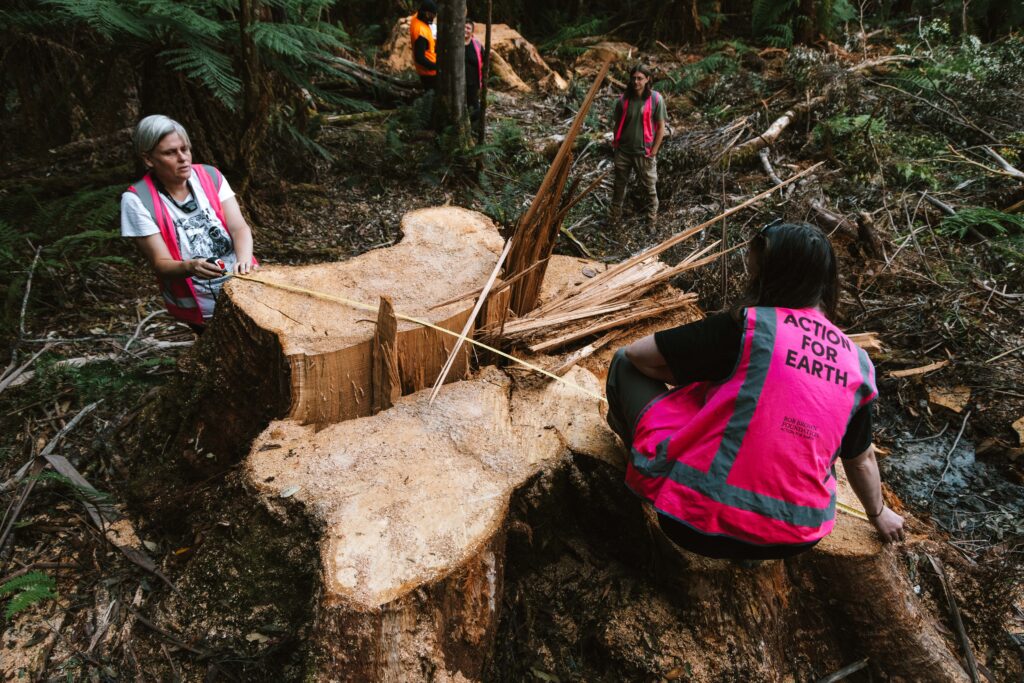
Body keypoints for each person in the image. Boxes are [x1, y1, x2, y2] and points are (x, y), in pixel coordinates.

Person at [606, 220, 905, 560]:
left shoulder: (749, 326)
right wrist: (878, 513)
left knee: (622, 363)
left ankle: (642, 461)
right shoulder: (858, 362)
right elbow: (861, 457)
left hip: (694, 525)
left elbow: (639, 355)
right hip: (795, 538)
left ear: (769, 275)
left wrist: (700, 383)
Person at [121, 115, 257, 332]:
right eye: (170, 153)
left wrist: (243, 261)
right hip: (203, 307)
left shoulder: (210, 176)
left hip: (247, 289)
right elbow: (161, 263)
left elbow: (238, 227)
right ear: (148, 159)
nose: (183, 158)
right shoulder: (137, 200)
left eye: (185, 149)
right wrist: (192, 266)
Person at [610, 64, 666, 226]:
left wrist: (654, 150)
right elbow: (617, 124)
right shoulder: (623, 100)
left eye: (640, 78)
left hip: (645, 153)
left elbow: (661, 127)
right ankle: (614, 220)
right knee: (619, 187)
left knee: (649, 189)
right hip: (624, 152)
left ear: (648, 79)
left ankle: (651, 222)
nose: (636, 82)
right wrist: (617, 146)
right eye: (633, 78)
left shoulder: (656, 99)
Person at [410, 1, 438, 89]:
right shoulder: (421, 32)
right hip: (429, 74)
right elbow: (419, 57)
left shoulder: (416, 18)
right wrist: (436, 67)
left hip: (430, 70)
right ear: (426, 14)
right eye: (432, 16)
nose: (433, 19)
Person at [464, 20, 483, 120]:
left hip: (473, 83)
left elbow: (484, 62)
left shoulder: (477, 45)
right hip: (459, 84)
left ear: (472, 32)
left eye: (468, 28)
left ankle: (474, 129)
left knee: (475, 107)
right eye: (464, 27)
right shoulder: (456, 44)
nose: (465, 30)